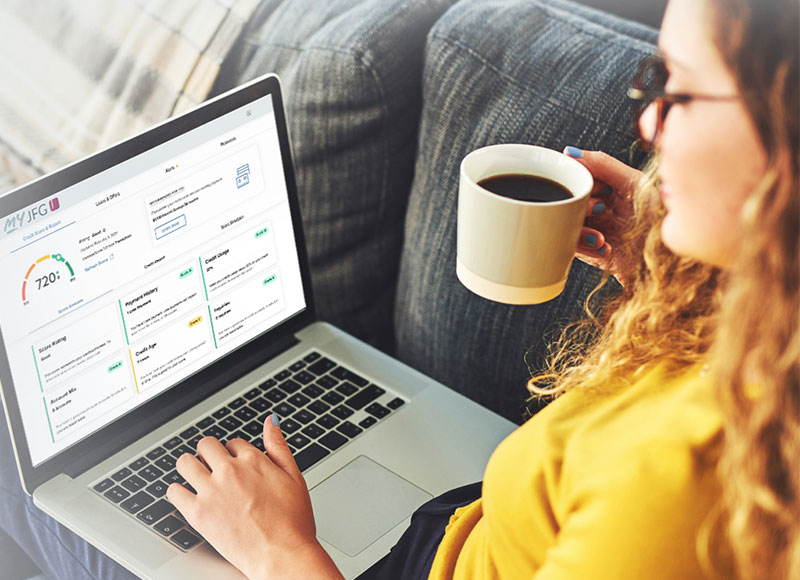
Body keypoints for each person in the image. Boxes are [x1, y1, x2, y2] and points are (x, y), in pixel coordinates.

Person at [0, 0, 795, 578]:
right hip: (457, 525)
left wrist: (281, 551)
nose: (650, 127)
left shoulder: (680, 497)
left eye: (681, 90)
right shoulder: (765, 325)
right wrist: (659, 264)